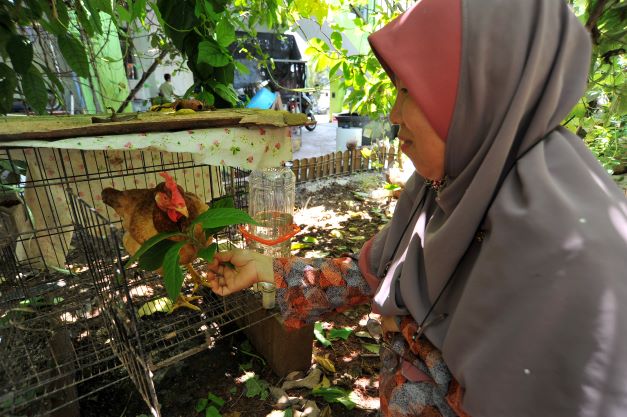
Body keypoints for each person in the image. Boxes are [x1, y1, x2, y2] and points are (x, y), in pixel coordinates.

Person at [207, 0, 627, 416]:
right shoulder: (453, 185)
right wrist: (266, 269)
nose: (394, 115)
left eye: (410, 91)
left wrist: (409, 333)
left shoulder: (574, 254)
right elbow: (373, 273)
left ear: (481, 91)